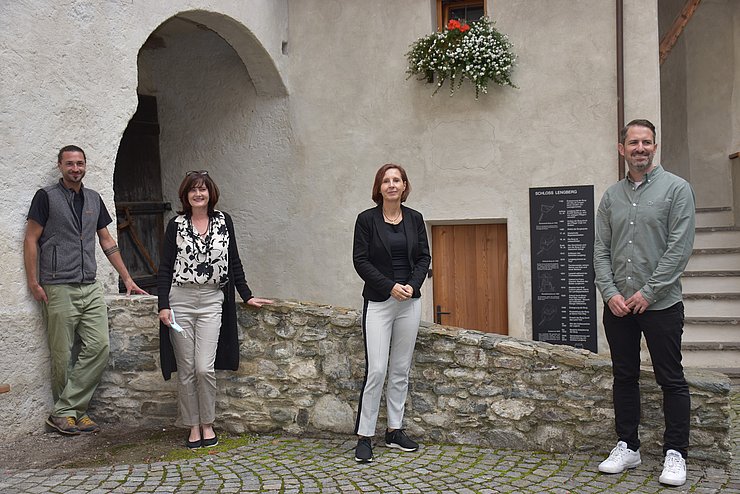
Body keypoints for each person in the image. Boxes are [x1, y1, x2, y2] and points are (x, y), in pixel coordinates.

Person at [594, 119, 695, 487]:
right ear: (622, 148)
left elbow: (679, 249)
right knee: (624, 376)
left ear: (655, 147)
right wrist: (610, 293)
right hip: (619, 305)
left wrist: (648, 292)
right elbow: (601, 251)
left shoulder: (677, 190)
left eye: (647, 142)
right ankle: (627, 445)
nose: (640, 148)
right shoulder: (611, 197)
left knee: (671, 378)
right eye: (633, 142)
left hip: (662, 304)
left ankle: (676, 453)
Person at [24, 145, 148, 435]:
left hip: (89, 284)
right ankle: (73, 413)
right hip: (57, 284)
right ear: (60, 166)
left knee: (99, 346)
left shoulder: (94, 198)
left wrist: (126, 277)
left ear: (85, 166)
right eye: (70, 164)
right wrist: (33, 281)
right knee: (62, 353)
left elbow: (107, 241)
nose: (75, 168)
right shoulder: (46, 198)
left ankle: (66, 410)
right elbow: (31, 239)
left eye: (80, 163)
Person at [157, 171, 272, 449]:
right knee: (185, 369)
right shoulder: (176, 225)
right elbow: (164, 267)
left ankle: (208, 423)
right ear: (185, 195)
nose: (198, 194)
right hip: (180, 302)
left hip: (211, 302)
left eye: (203, 189)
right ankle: (193, 426)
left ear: (211, 193)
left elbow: (234, 261)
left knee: (203, 367)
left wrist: (247, 295)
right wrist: (163, 306)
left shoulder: (224, 222)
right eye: (193, 190)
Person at [351, 163, 431, 463]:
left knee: (400, 369)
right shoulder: (366, 220)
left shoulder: (415, 219)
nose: (392, 185)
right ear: (379, 187)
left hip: (409, 302)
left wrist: (410, 285)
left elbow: (424, 257)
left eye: (397, 180)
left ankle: (394, 430)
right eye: (386, 180)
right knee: (377, 370)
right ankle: (365, 436)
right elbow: (360, 261)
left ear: (405, 186)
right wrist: (389, 287)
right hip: (379, 302)